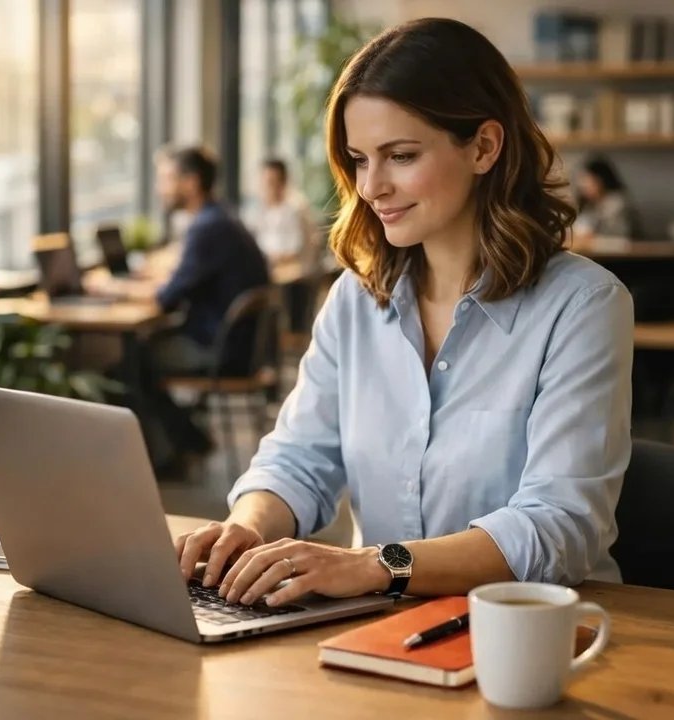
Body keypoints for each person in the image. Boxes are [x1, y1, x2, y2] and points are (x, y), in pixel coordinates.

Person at [174, 18, 634, 608]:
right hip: (379, 622)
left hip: (533, 630)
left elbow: (558, 525)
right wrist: (249, 525)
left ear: (484, 147)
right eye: (360, 159)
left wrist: (378, 565)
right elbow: (299, 456)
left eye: (401, 155)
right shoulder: (354, 299)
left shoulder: (583, 306)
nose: (372, 187)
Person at [95, 146, 270, 458]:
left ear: (190, 182)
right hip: (235, 343)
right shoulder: (218, 218)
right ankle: (188, 442)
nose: (159, 188)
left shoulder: (207, 227)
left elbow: (166, 299)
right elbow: (182, 282)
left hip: (218, 349)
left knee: (128, 364)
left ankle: (169, 455)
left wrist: (112, 287)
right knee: (138, 353)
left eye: (166, 179)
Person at [243, 158, 318, 265]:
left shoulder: (296, 209)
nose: (265, 187)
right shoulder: (256, 210)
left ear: (282, 183)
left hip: (292, 273)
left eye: (271, 182)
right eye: (263, 182)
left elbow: (294, 250)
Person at [573, 155, 642, 239]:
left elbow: (617, 237)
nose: (583, 186)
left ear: (600, 180)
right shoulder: (589, 205)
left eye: (587, 181)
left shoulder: (617, 204)